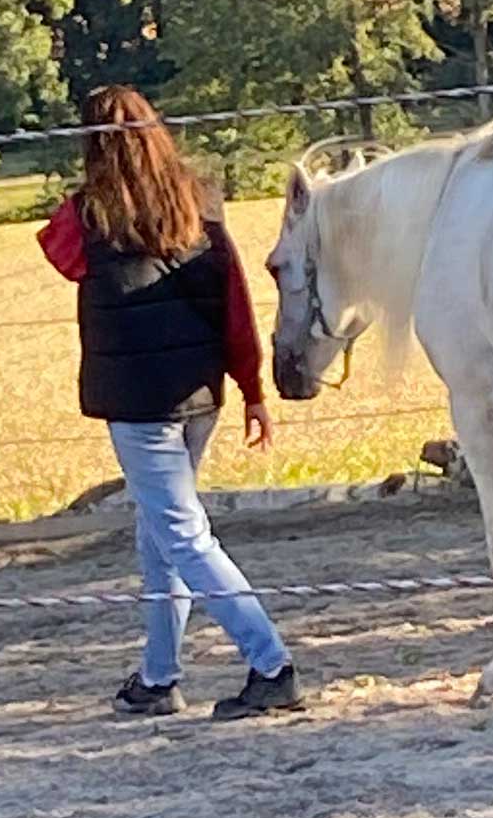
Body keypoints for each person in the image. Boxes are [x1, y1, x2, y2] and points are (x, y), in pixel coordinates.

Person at [38, 84, 304, 721]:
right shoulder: (200, 200)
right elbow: (233, 302)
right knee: (158, 538)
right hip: (199, 396)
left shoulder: (86, 214)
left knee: (183, 537)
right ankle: (159, 678)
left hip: (137, 402)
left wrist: (75, 197)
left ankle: (273, 666)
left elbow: (58, 254)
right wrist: (251, 389)